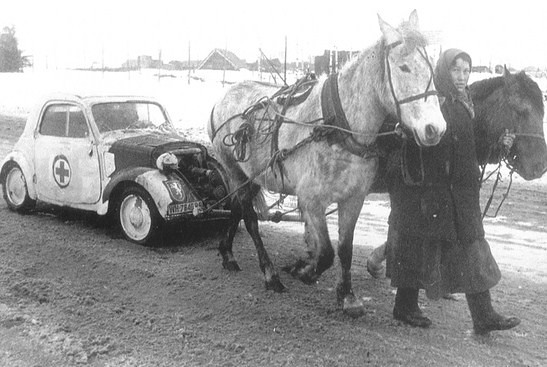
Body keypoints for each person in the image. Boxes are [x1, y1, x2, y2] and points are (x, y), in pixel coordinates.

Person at [373, 48, 520, 335]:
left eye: (466, 70)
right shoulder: (430, 101)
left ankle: (483, 315)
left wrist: (498, 147)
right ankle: (406, 307)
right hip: (430, 191)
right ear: (444, 70)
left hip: (460, 194)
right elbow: (404, 135)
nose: (462, 76)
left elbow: (472, 151)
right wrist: (404, 134)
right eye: (456, 70)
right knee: (419, 248)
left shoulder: (465, 105)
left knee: (472, 249)